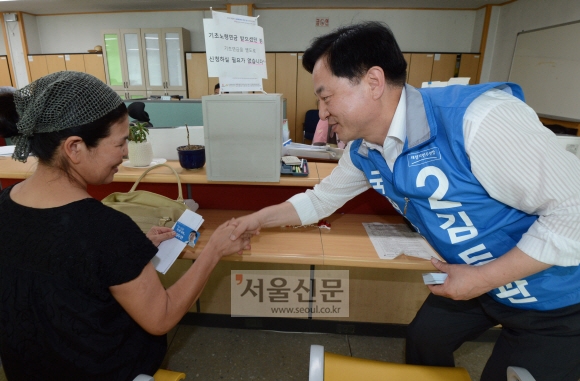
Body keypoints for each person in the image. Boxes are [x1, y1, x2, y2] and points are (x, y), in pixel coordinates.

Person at [228, 21, 580, 381]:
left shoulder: (479, 119)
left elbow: (573, 213)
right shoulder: (364, 149)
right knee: (424, 339)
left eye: (326, 96)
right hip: (474, 280)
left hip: (554, 298)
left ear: (374, 82)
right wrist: (255, 220)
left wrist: (483, 278)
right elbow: (320, 201)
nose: (321, 111)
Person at [0, 71, 251, 380]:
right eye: (120, 143)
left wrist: (130, 252)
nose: (125, 153)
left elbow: (62, 275)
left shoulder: (5, 204)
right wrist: (213, 250)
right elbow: (160, 317)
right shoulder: (106, 228)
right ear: (74, 148)